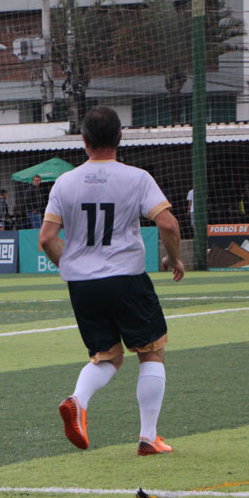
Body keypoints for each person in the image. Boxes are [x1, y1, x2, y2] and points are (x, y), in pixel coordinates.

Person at [39, 105, 184, 456]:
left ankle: (78, 400)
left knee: (107, 357)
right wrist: (174, 258)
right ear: (120, 137)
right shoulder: (137, 177)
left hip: (83, 285)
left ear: (84, 141)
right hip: (126, 278)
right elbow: (167, 224)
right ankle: (148, 437)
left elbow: (46, 238)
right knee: (151, 352)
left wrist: (68, 267)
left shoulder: (64, 182)